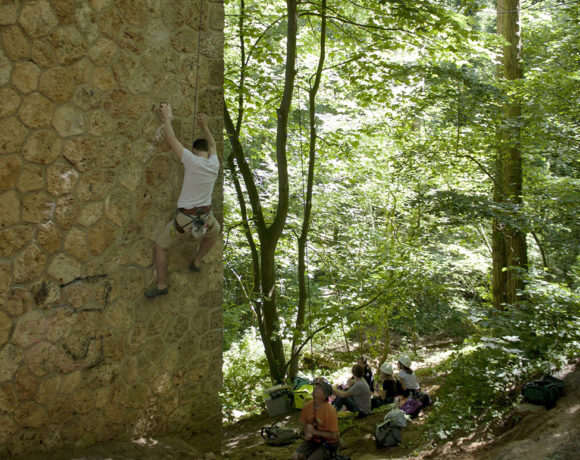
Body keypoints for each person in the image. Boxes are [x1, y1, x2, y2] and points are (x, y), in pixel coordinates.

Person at [145, 103, 220, 298]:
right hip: (206, 218)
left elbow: (171, 139)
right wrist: (204, 125)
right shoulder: (214, 164)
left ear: (194, 151)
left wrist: (167, 118)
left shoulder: (191, 160)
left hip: (184, 221)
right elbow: (213, 145)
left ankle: (162, 285)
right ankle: (196, 261)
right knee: (215, 232)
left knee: (160, 246)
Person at [293, 378, 340, 460]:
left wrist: (314, 432)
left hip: (328, 442)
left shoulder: (330, 411)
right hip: (314, 440)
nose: (315, 388)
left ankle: (330, 454)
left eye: (318, 388)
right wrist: (307, 433)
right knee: (295, 457)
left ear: (324, 395)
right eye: (315, 387)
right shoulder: (307, 406)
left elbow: (333, 435)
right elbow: (303, 424)